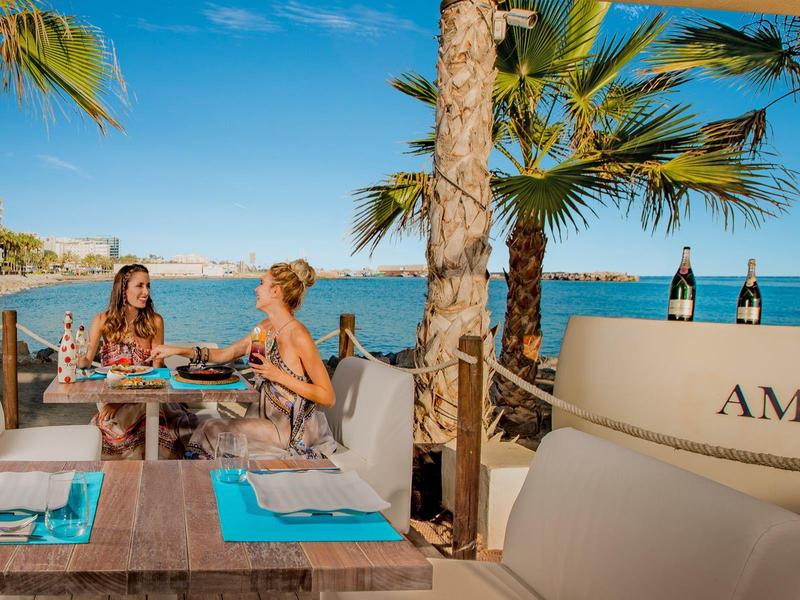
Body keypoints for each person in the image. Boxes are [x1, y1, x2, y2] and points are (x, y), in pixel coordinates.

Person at [150, 259, 337, 459]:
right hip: (263, 419)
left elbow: (328, 397)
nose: (256, 289)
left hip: (292, 430)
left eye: (261, 283)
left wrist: (277, 375)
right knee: (191, 425)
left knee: (211, 428)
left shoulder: (298, 334)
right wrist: (175, 350)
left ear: (276, 291)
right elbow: (225, 355)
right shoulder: (266, 327)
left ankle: (199, 482)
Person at [77, 264, 192, 459]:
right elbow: (86, 361)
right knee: (111, 427)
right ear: (123, 289)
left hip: (149, 397)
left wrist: (121, 402)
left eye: (148, 286)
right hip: (113, 397)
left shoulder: (154, 321)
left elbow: (157, 373)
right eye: (139, 286)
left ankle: (149, 476)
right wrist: (73, 356)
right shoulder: (102, 321)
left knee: (147, 418)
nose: (146, 292)